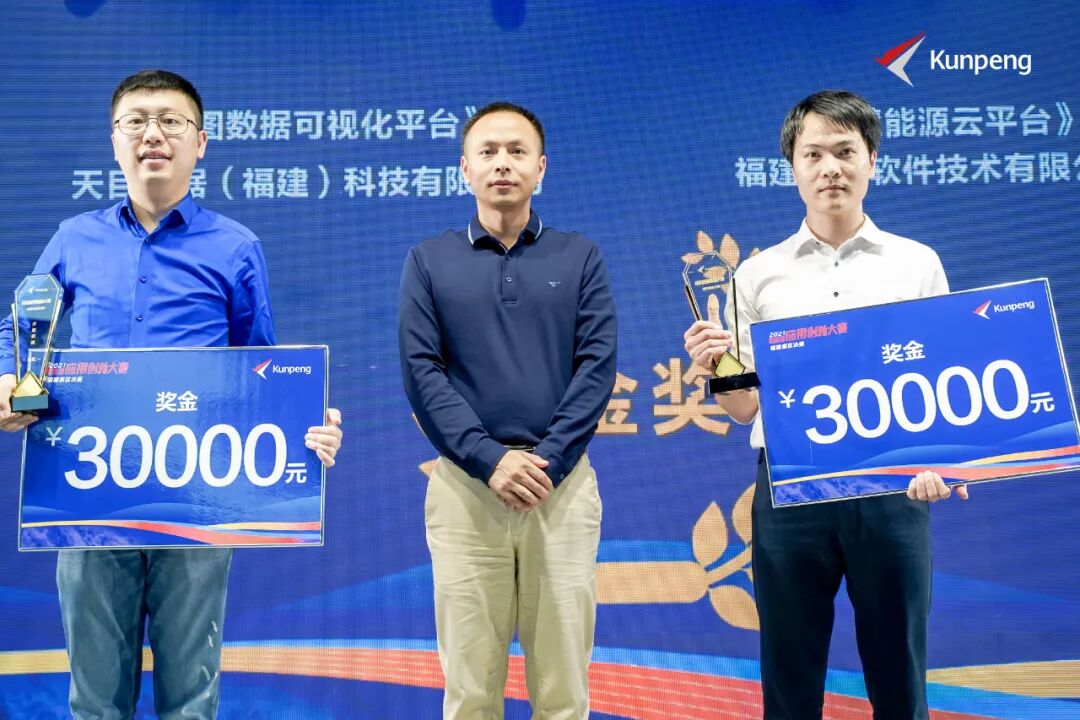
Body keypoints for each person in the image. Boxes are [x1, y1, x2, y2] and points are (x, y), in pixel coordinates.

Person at [0, 69, 343, 720]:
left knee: (190, 697)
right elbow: (21, 327)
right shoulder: (74, 238)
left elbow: (261, 368)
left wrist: (303, 420)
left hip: (197, 495)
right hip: (88, 488)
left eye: (170, 121)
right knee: (94, 699)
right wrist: (10, 380)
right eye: (135, 122)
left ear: (200, 142)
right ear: (114, 141)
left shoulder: (235, 246)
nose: (152, 134)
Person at [683, 90, 967, 719]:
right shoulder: (756, 275)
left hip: (891, 485)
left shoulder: (916, 264)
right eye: (813, 154)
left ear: (872, 161)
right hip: (791, 488)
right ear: (792, 167)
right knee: (790, 671)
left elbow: (941, 382)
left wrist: (944, 463)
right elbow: (744, 408)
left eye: (845, 151)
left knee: (900, 671)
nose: (830, 168)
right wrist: (715, 365)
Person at [398, 101, 617, 719]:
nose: (503, 164)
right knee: (470, 691)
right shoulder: (429, 260)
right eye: (488, 151)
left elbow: (597, 365)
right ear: (464, 168)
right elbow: (421, 372)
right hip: (466, 489)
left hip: (561, 488)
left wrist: (548, 461)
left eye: (517, 152)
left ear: (540, 168)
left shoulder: (579, 256)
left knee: (564, 690)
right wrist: (489, 460)